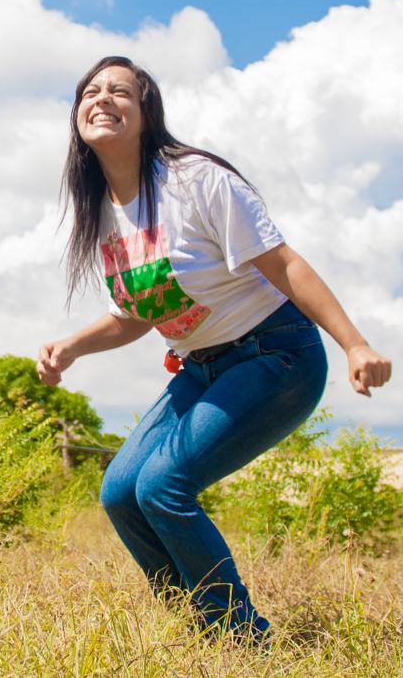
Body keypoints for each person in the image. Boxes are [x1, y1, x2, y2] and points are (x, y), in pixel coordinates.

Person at [36, 55, 392, 640]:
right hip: (200, 368)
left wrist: (354, 344)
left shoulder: (195, 180)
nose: (103, 99)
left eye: (121, 91)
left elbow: (285, 265)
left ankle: (240, 639)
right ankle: (198, 628)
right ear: (76, 116)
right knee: (122, 492)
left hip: (275, 355)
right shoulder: (101, 211)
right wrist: (72, 346)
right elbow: (137, 315)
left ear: (146, 112)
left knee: (163, 485)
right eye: (91, 91)